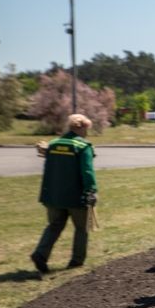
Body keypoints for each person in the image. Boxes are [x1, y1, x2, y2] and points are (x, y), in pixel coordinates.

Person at [31, 114, 97, 273]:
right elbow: (87, 171)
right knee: (81, 228)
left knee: (54, 226)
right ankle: (76, 262)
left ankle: (40, 254)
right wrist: (92, 191)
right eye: (87, 129)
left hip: (52, 195)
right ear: (82, 128)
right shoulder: (83, 146)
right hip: (76, 197)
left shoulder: (53, 144)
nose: (87, 133)